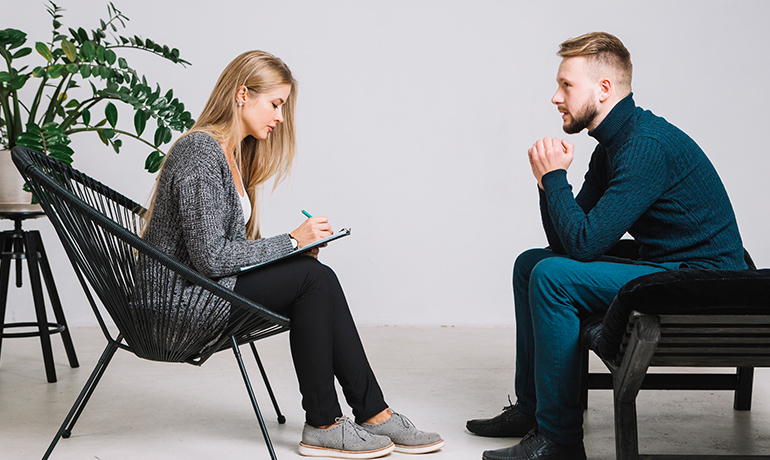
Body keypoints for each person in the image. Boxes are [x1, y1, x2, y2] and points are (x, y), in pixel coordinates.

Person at [141, 50, 443, 459]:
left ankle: (370, 414)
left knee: (314, 276)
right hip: (177, 309)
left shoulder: (232, 155)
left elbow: (227, 255)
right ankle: (330, 423)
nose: (280, 117)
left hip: (205, 292)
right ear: (242, 95)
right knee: (312, 278)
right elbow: (211, 258)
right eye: (275, 104)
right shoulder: (200, 151)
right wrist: (291, 242)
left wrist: (294, 253)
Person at [466, 32, 746, 460]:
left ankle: (559, 441)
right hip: (668, 266)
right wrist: (547, 186)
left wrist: (554, 179)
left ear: (603, 89)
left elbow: (582, 245)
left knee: (552, 277)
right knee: (531, 264)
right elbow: (567, 240)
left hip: (702, 282)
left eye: (566, 85)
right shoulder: (612, 148)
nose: (555, 97)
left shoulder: (644, 147)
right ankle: (532, 409)